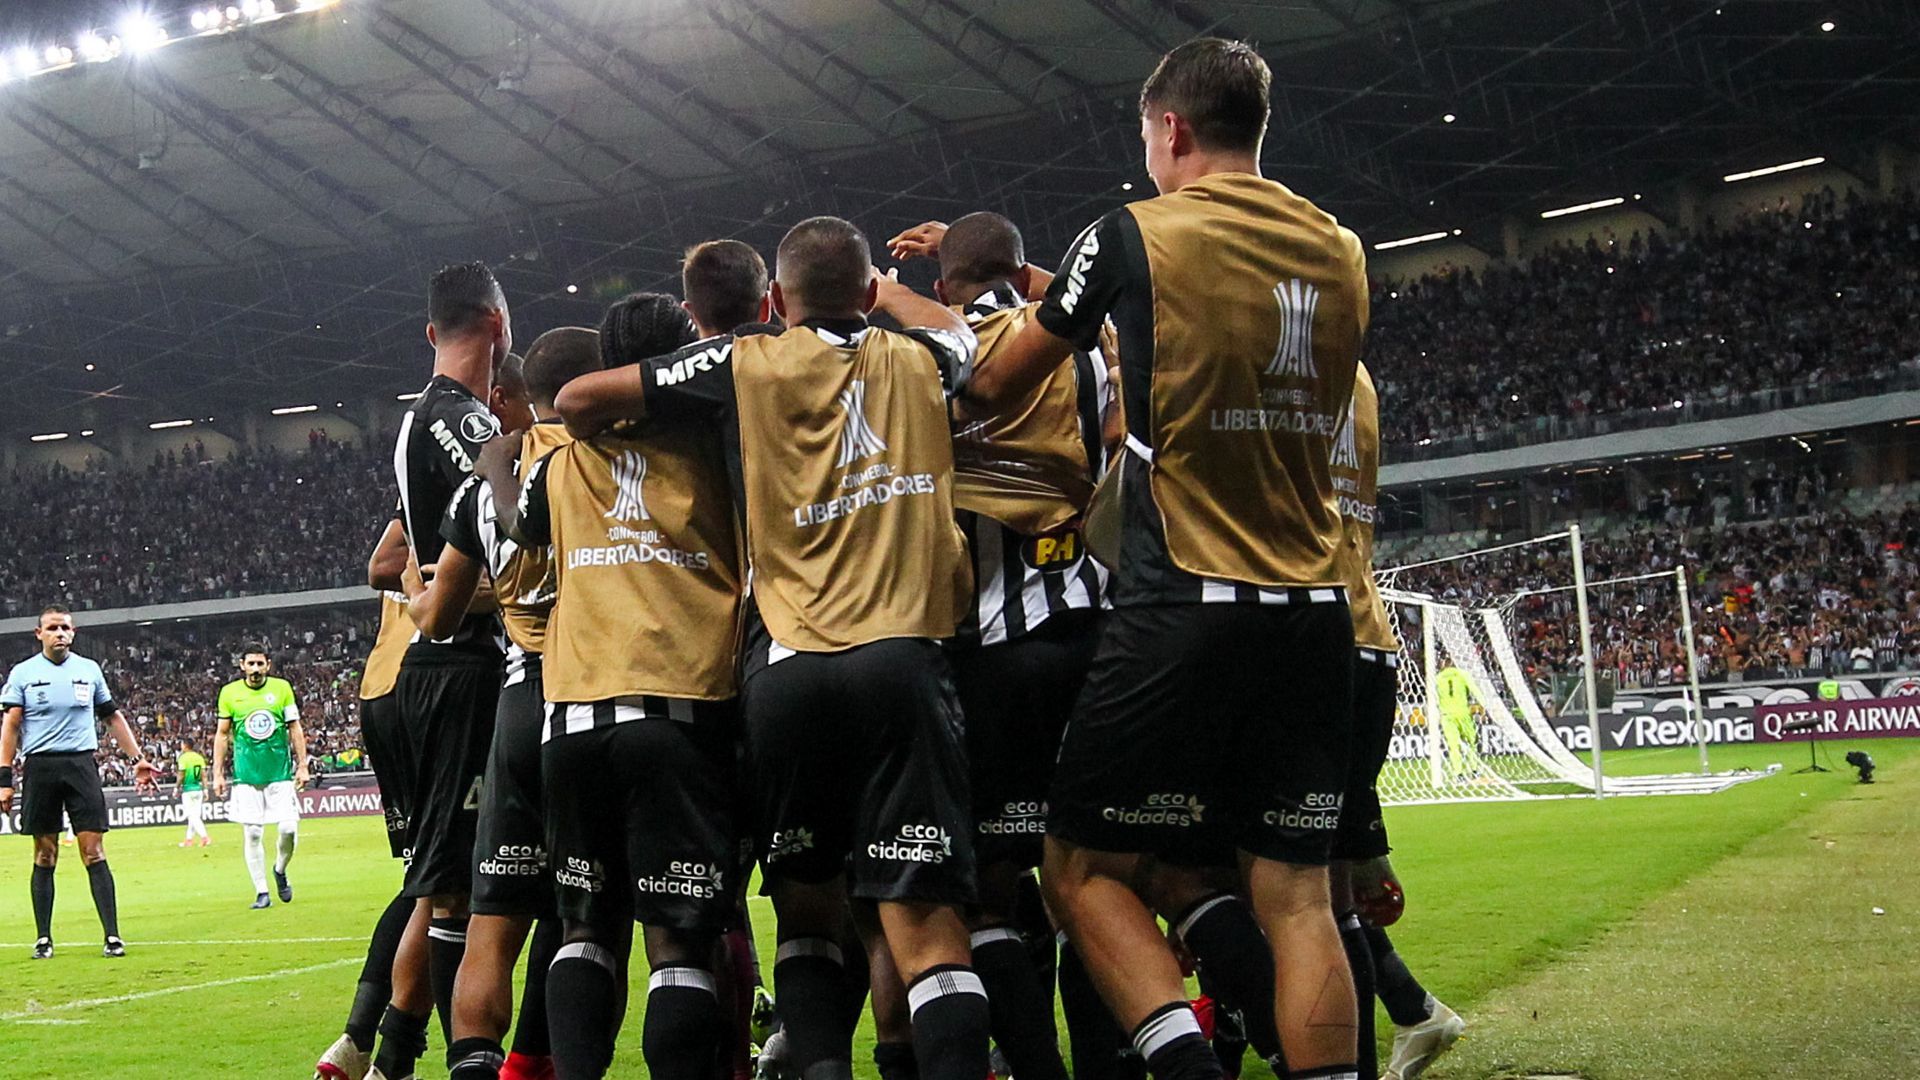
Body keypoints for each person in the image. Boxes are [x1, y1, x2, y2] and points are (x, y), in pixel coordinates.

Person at [955, 39, 1366, 1080]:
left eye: (1146, 134)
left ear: (1171, 130)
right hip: (1315, 603)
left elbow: (1007, 379)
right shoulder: (1339, 244)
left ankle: (1183, 1070)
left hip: (1184, 598)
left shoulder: (1131, 234)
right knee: (1300, 896)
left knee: (1081, 868)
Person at [558, 217, 990, 1080]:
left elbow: (577, 400)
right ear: (867, 292)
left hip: (786, 671)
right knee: (924, 925)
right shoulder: (922, 356)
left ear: (780, 301)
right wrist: (894, 289)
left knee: (806, 913)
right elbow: (957, 336)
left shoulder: (744, 362)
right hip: (902, 660)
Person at [890, 210, 1117, 1080]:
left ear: (943, 286)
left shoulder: (931, 357)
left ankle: (1034, 1067)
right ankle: (1110, 1064)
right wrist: (997, 262)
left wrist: (900, 292)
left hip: (985, 646)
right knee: (1091, 877)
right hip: (1091, 633)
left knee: (987, 881)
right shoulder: (1086, 349)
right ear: (1022, 272)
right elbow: (1067, 297)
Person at [500, 306, 748, 1080]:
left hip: (571, 718)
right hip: (681, 706)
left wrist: (494, 467)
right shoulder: (720, 444)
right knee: (678, 941)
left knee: (584, 926)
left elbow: (517, 527)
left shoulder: (561, 462)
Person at [406, 346, 562, 1080]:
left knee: (486, 918)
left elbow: (430, 610)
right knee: (602, 922)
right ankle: (537, 1061)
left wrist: (419, 598)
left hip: (515, 702)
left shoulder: (481, 486)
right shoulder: (611, 468)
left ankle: (469, 1062)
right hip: (604, 695)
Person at [380, 260, 513, 1077]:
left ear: (433, 332)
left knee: (439, 888)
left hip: (436, 664)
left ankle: (386, 1052)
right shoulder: (466, 425)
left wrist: (424, 587)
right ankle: (450, 1058)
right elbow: (519, 530)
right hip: (467, 667)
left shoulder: (413, 419)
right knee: (460, 891)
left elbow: (388, 559)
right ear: (499, 324)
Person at [1326, 364, 1464, 1080]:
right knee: (1320, 875)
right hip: (1366, 632)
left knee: (1278, 882)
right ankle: (1411, 1009)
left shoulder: (1276, 361)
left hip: (1308, 633)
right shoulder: (1359, 375)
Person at [314, 584, 429, 1080]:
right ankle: (390, 1057)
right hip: (433, 683)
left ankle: (359, 1041)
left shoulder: (410, 516)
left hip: (381, 689)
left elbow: (380, 566)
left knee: (426, 878)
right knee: (450, 887)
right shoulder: (472, 506)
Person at [0, 605, 148, 959]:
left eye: (65, 627)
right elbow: (10, 725)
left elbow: (112, 716)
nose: (59, 633)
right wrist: (4, 778)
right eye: (52, 628)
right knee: (45, 854)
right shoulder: (23, 673)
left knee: (93, 851)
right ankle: (43, 937)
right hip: (41, 768)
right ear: (39, 634)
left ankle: (112, 936)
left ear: (74, 632)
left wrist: (137, 759)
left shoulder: (89, 670)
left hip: (82, 765)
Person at [212, 644, 308, 909]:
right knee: (252, 833)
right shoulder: (229, 693)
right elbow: (221, 735)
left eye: (260, 664)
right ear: (242, 665)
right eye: (250, 664)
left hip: (280, 774)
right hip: (246, 776)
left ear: (268, 665)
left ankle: (279, 869)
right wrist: (217, 773)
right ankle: (262, 891)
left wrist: (302, 765)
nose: (255, 669)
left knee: (288, 829)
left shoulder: (282, 689)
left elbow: (295, 728)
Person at [177, 743, 210, 848]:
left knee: (192, 816)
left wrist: (176, 787)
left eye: (182, 744)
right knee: (194, 816)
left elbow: (181, 774)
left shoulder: (183, 758)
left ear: (186, 746)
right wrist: (205, 789)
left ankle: (205, 837)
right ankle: (189, 840)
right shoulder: (199, 757)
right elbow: (204, 775)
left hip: (188, 790)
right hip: (198, 789)